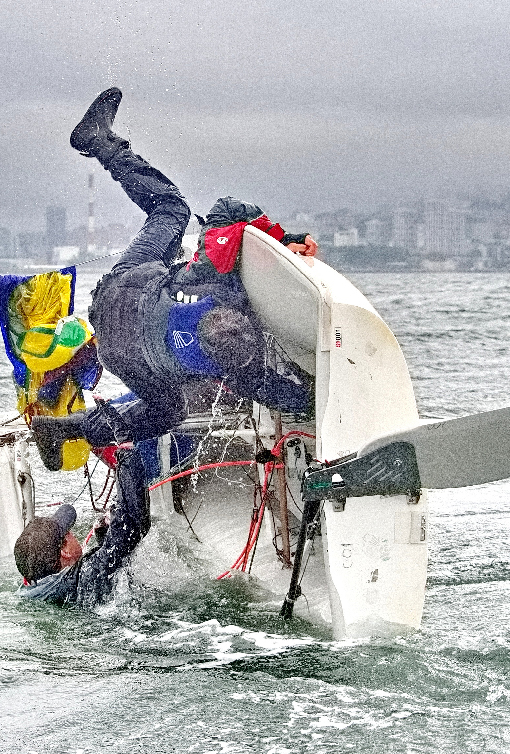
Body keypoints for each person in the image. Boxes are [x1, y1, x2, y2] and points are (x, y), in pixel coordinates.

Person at [32, 88, 318, 472]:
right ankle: (69, 429)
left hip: (123, 291)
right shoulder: (241, 371)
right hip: (119, 353)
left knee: (171, 208)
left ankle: (103, 145)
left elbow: (226, 209)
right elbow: (288, 398)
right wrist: (316, 392)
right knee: (166, 412)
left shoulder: (213, 277)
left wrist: (282, 238)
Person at [16, 446, 149, 606]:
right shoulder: (87, 576)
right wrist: (126, 451)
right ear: (64, 551)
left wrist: (105, 537)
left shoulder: (36, 590)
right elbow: (133, 526)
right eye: (68, 532)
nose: (73, 533)